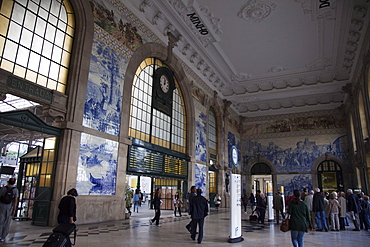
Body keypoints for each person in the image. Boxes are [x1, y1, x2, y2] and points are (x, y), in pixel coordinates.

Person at [0, 178, 19, 242]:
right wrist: (14, 209)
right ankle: (3, 236)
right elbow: (15, 200)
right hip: (9, 208)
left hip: (1, 207)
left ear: (8, 182)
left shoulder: (3, 189)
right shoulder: (15, 190)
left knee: (0, 222)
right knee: (7, 223)